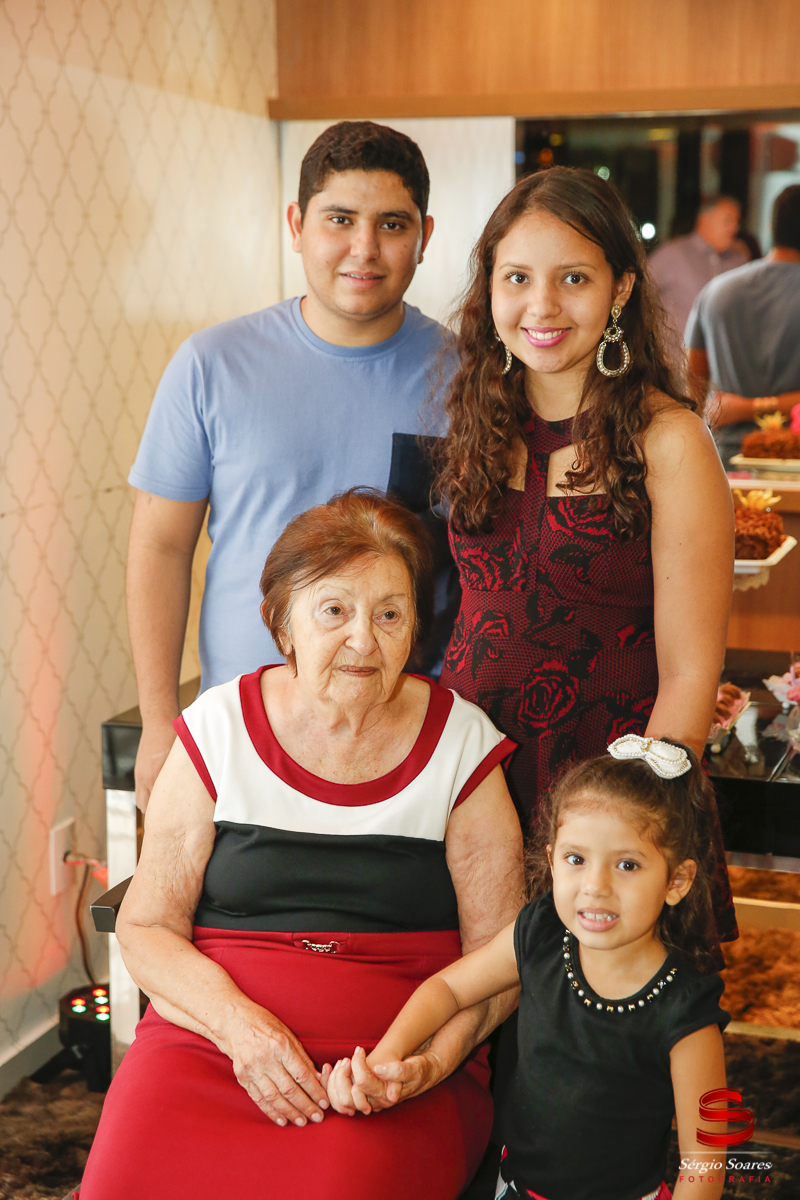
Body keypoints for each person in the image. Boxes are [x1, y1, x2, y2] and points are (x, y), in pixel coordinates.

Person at [77, 491, 525, 1200]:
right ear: (284, 622)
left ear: (416, 627)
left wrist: (426, 1065)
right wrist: (241, 1031)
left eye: (389, 614)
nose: (363, 640)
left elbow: (502, 956)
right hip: (211, 1045)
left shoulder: (461, 743)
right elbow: (146, 925)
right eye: (334, 611)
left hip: (385, 1067)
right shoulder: (218, 728)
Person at [127, 119, 458, 812]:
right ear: (297, 224)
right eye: (340, 219)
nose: (364, 249)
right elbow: (160, 546)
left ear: (424, 237)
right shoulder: (212, 365)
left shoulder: (468, 379)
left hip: (407, 747)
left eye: (392, 224)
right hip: (239, 740)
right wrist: (160, 722)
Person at [436, 166, 734, 844]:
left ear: (620, 288)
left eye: (573, 278)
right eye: (517, 278)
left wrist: (629, 826)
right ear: (490, 287)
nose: (541, 306)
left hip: (614, 785)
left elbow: (691, 673)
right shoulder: (478, 420)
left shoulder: (672, 441)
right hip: (469, 777)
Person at [327, 739, 730, 1200]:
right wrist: (387, 1057)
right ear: (553, 858)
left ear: (675, 881)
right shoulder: (540, 932)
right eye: (576, 859)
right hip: (516, 1189)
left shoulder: (686, 1010)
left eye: (627, 865)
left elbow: (705, 1163)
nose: (595, 887)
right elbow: (450, 989)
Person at [687, 185, 800, 469]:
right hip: (794, 458)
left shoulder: (717, 291)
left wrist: (744, 408)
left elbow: (691, 388)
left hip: (727, 461)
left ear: (770, 226)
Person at [648, 195, 746, 349]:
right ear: (705, 219)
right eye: (728, 221)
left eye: (736, 222)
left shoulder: (738, 260)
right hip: (674, 364)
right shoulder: (673, 254)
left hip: (720, 364)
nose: (734, 228)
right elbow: (639, 295)